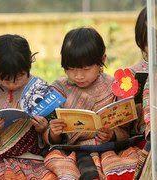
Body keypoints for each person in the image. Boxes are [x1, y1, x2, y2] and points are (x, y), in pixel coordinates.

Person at [43, 27, 142, 179]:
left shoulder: (115, 87)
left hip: (109, 149)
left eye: (86, 69)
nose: (78, 75)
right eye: (70, 69)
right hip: (71, 151)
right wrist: (54, 133)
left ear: (102, 60)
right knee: (60, 168)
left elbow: (126, 130)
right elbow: (47, 135)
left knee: (127, 166)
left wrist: (112, 134)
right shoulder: (58, 90)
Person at [0, 34, 57, 179]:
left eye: (19, 78)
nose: (12, 84)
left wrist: (44, 128)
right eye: (4, 79)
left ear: (28, 66)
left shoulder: (39, 88)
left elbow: (56, 132)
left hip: (35, 160)